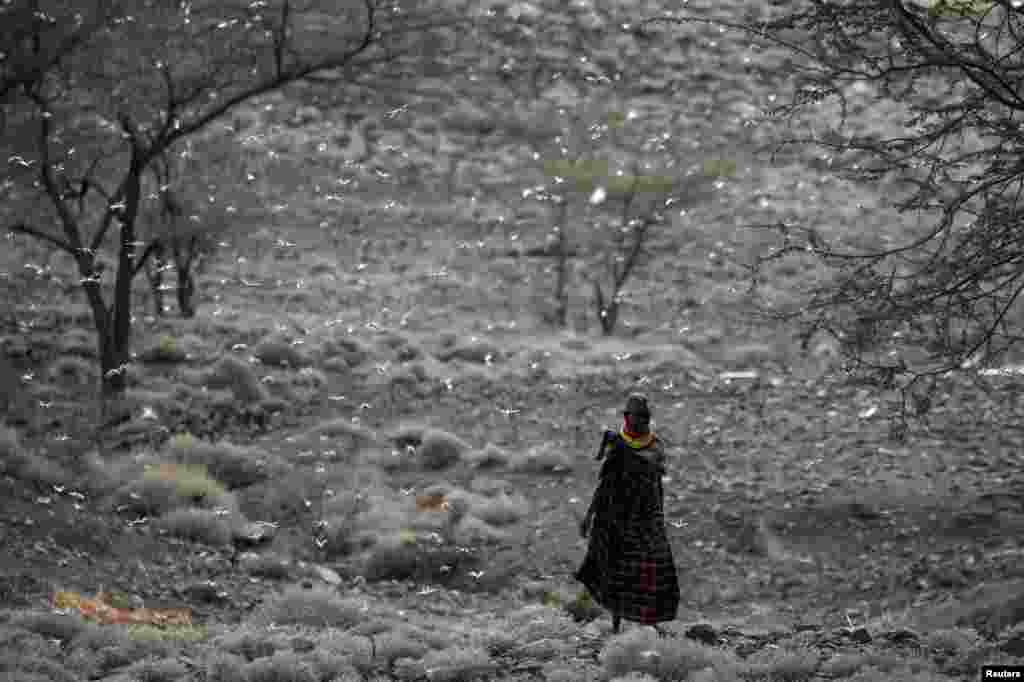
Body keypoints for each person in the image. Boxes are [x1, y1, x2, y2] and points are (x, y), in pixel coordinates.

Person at [575, 393, 680, 635]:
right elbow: (605, 483)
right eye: (637, 415)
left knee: (651, 568)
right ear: (626, 416)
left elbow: (657, 484)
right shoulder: (617, 444)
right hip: (616, 516)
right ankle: (616, 625)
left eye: (645, 416)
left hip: (646, 518)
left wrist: (657, 517)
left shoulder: (655, 446)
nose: (642, 420)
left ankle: (651, 621)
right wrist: (589, 516)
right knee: (615, 568)